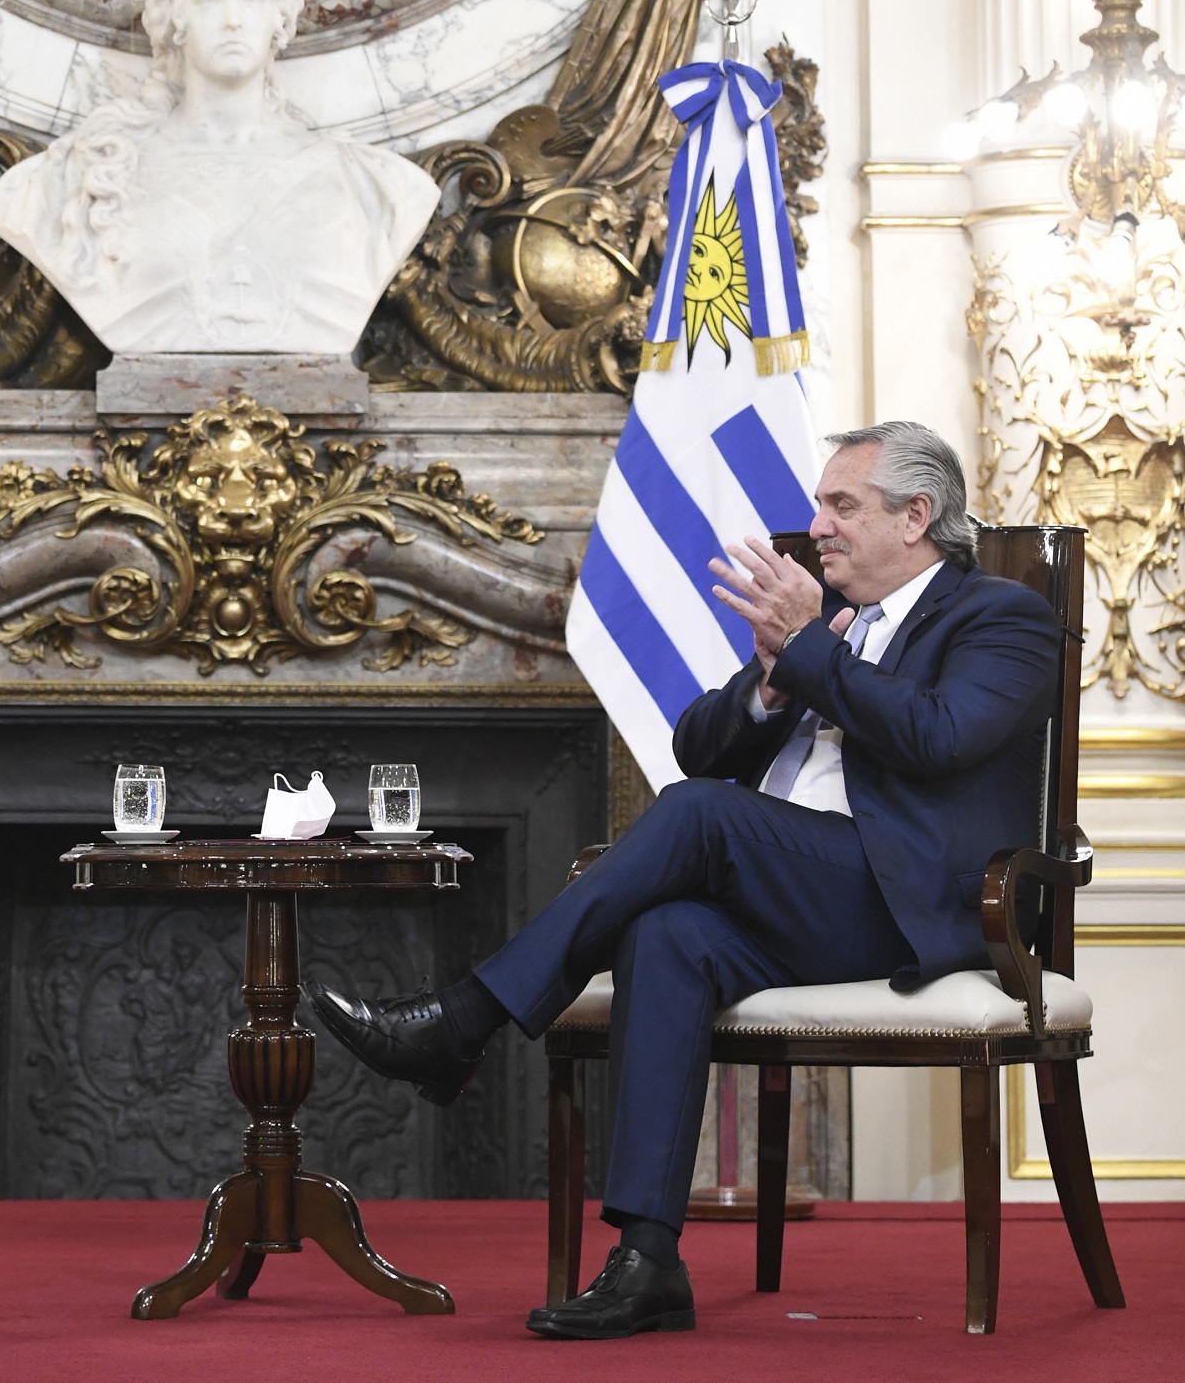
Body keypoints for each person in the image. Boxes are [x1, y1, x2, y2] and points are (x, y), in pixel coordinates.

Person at [306, 421, 1061, 1338]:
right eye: (821, 504)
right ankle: (648, 1261)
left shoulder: (1001, 618)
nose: (817, 526)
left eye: (841, 505)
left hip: (903, 902)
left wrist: (812, 658)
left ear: (916, 516)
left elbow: (938, 736)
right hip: (800, 891)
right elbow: (698, 748)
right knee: (666, 934)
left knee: (701, 817)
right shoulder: (829, 620)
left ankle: (464, 1021)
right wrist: (772, 688)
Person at [0, 0, 437, 352]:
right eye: (210, 0)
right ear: (176, 19)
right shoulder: (81, 176)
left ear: (280, 20)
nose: (233, 20)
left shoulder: (375, 186)